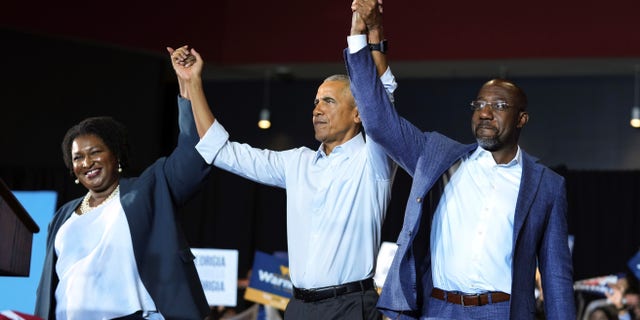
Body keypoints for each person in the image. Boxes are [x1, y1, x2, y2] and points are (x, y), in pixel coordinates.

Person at [345, 0, 576, 319]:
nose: (484, 112)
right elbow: (379, 121)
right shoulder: (438, 157)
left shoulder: (546, 186)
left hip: (502, 311)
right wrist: (361, 38)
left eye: (498, 106)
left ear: (522, 119)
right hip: (438, 309)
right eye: (479, 104)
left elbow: (556, 278)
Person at [166, 13, 398, 318]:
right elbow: (223, 151)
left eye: (328, 101)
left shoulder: (374, 160)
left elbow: (383, 102)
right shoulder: (296, 162)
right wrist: (192, 81)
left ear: (358, 114)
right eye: (315, 102)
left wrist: (373, 32)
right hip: (298, 307)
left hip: (351, 307)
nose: (316, 109)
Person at [34, 46, 214, 320]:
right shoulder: (63, 216)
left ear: (115, 155)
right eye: (78, 158)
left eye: (95, 152)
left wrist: (189, 83)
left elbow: (194, 154)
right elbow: (49, 285)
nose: (87, 163)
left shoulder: (147, 190)